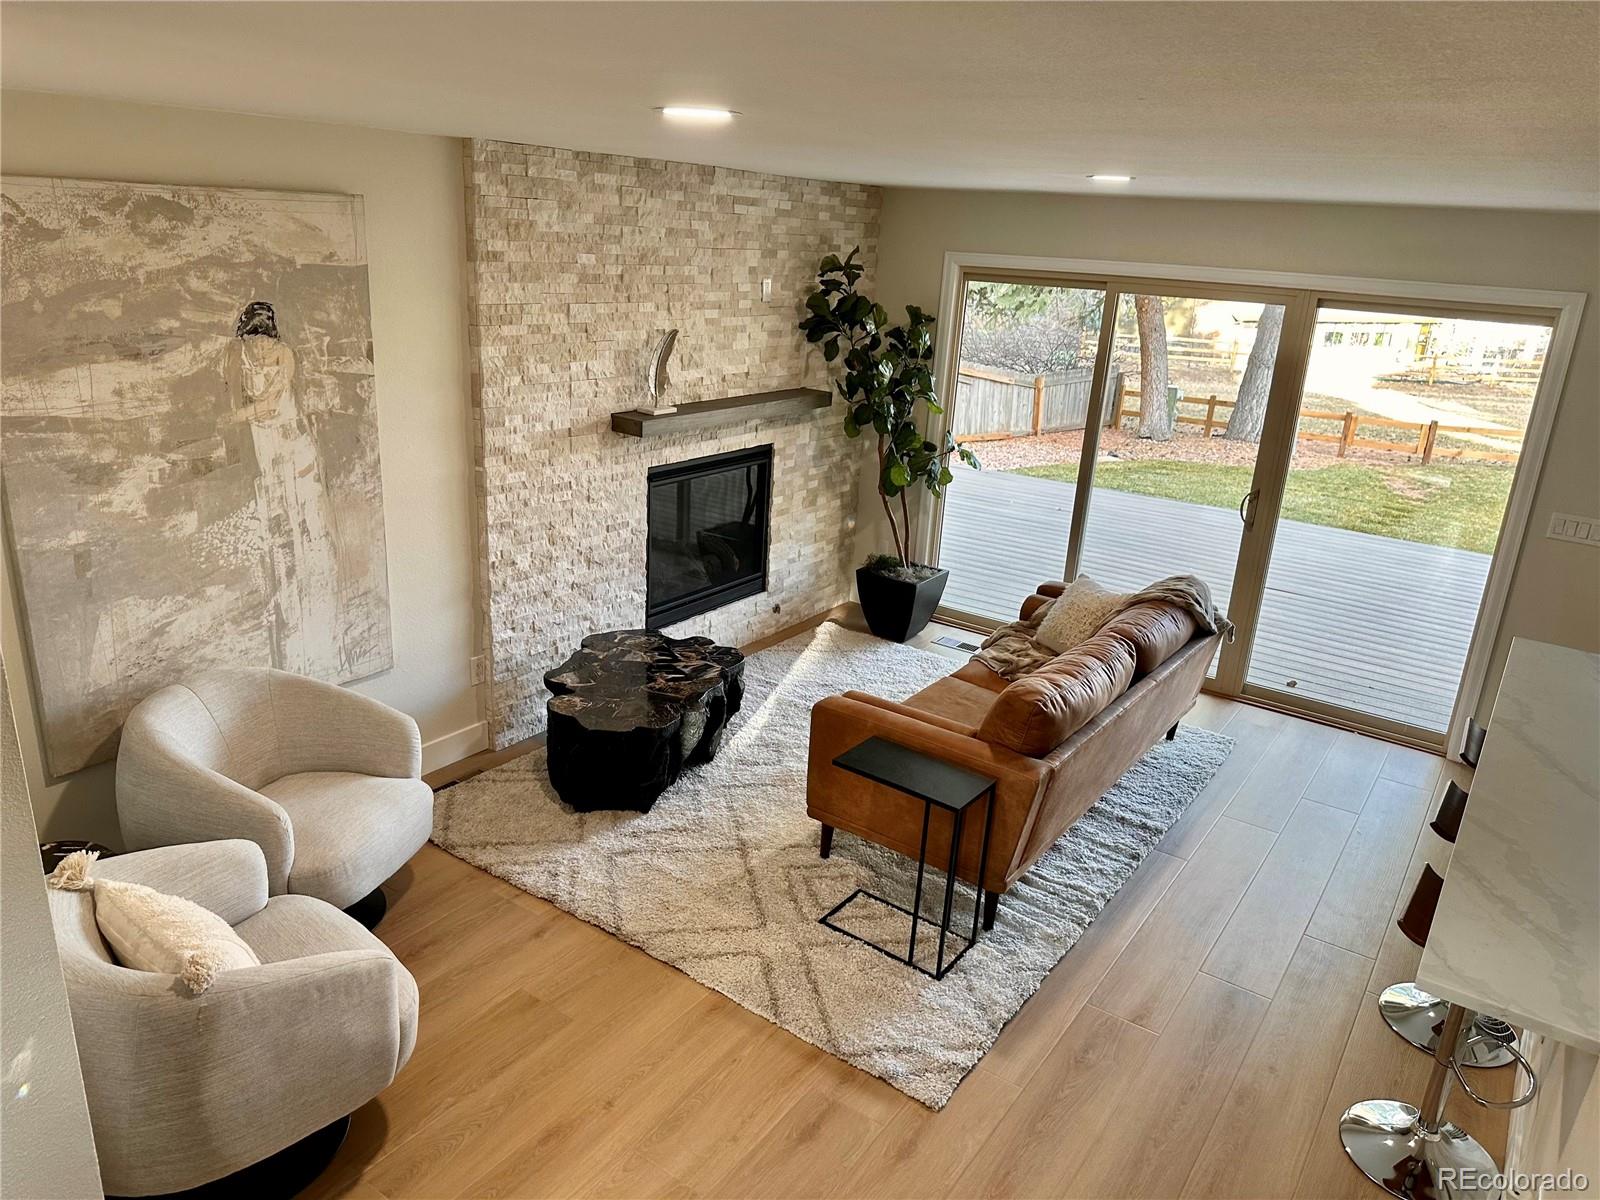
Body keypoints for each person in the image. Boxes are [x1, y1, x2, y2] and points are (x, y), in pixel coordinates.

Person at [222, 301, 341, 672]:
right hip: (264, 442)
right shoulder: (238, 354)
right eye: (250, 342)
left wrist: (231, 418)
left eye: (261, 342)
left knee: (304, 503)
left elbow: (271, 403)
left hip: (290, 439)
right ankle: (283, 580)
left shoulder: (285, 356)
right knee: (274, 507)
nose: (256, 349)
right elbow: (234, 391)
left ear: (271, 336)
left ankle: (315, 570)